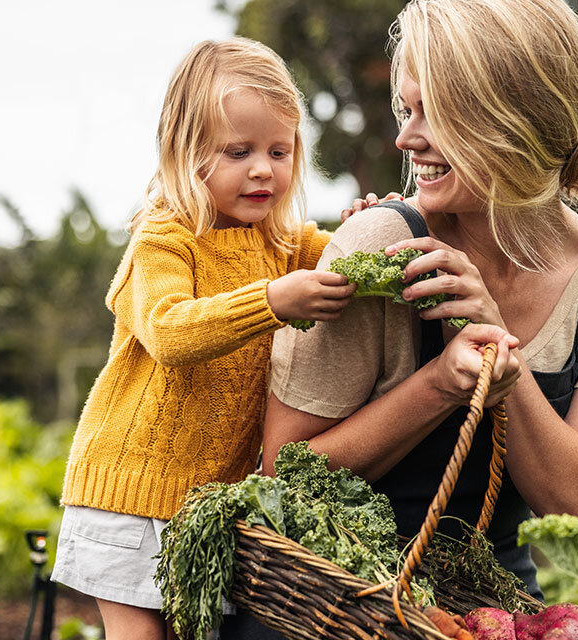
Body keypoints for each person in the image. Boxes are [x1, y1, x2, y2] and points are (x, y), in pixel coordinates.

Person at [262, 0, 578, 606]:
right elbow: (280, 476)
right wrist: (439, 386)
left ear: (510, 120)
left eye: (434, 113)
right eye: (407, 108)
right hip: (329, 600)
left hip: (489, 605)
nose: (405, 137)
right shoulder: (380, 244)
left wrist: (494, 337)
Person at [51, 38, 357, 640]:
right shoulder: (164, 239)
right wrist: (271, 301)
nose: (264, 168)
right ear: (188, 154)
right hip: (131, 494)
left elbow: (352, 258)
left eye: (279, 149)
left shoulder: (287, 243)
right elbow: (169, 330)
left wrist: (374, 220)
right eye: (239, 151)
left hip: (206, 510)